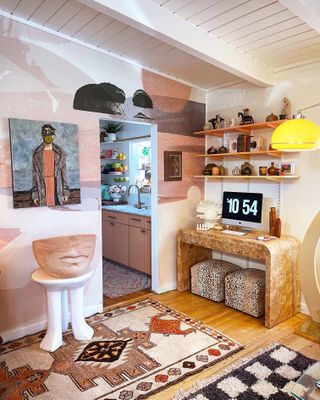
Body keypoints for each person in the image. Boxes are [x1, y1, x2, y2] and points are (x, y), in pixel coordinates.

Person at [31, 124, 69, 207]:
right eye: (46, 134)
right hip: (42, 188)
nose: (48, 136)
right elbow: (34, 175)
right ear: (42, 135)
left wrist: (65, 192)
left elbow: (64, 173)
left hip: (56, 188)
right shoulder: (36, 153)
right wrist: (35, 194)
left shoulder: (60, 152)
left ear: (53, 136)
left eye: (50, 134)